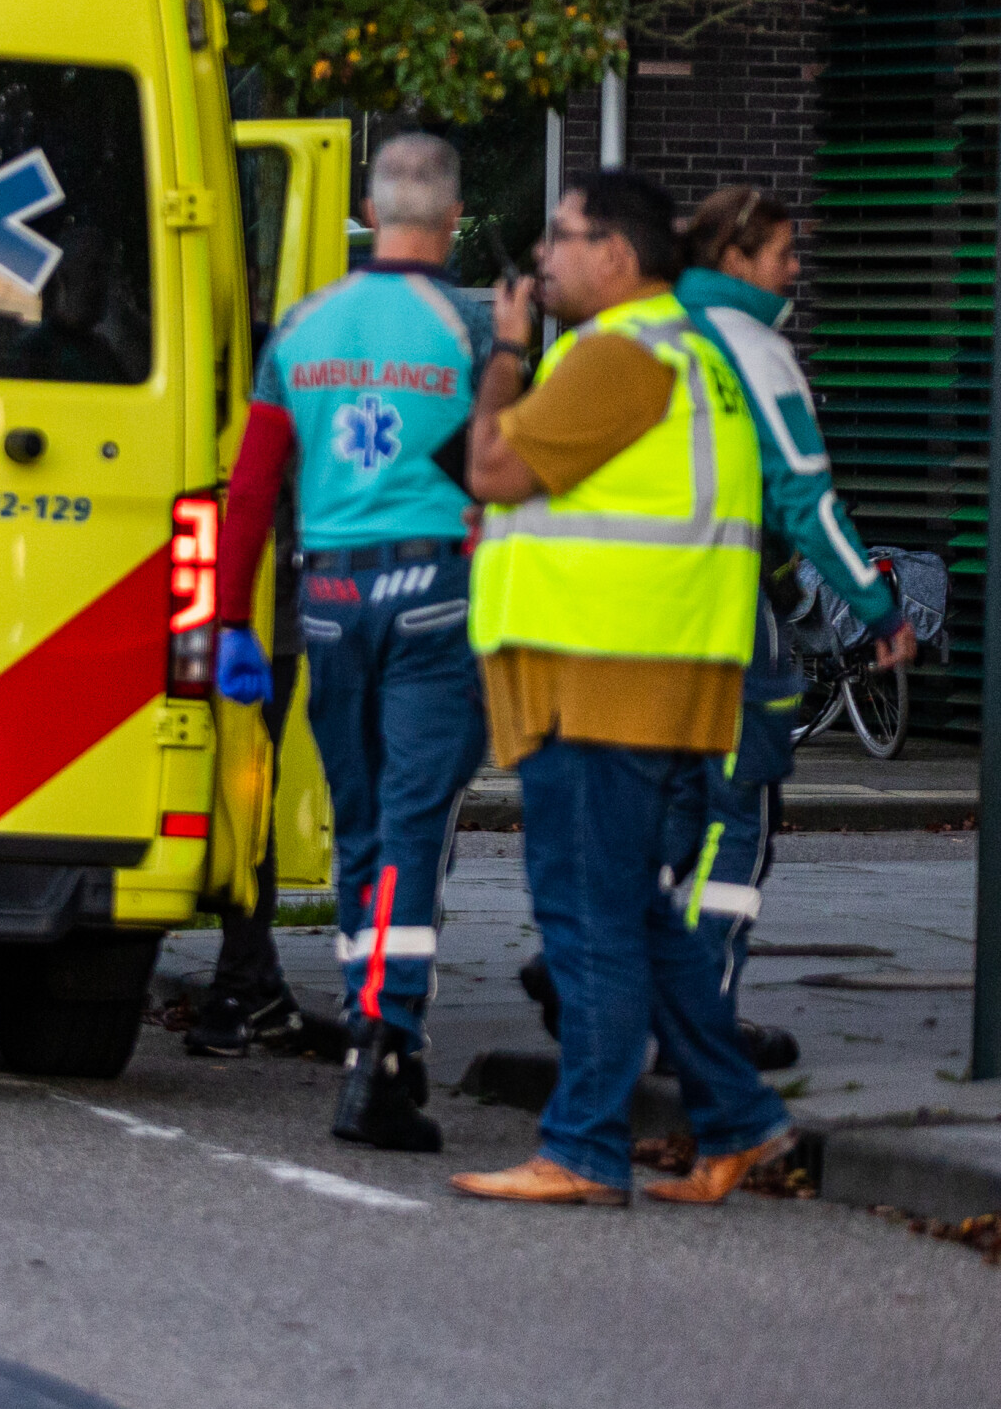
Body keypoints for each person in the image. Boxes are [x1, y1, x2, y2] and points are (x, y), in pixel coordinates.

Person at [452, 170, 794, 1206]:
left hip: (602, 676)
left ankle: (584, 1147)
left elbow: (492, 471)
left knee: (587, 918)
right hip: (652, 670)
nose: (541, 258)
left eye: (559, 237)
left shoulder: (618, 354)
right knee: (640, 917)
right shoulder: (688, 356)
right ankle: (739, 1120)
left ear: (614, 255)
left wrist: (504, 353)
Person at [210, 133, 492, 1146]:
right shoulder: (473, 324)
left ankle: (367, 1032)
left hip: (325, 597)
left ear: (368, 215)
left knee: (362, 826)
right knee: (414, 827)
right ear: (452, 218)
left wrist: (230, 622)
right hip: (434, 598)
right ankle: (383, 1043)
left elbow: (249, 490)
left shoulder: (300, 328)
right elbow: (513, 468)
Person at [668, 187, 914, 1056]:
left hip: (619, 628)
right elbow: (805, 497)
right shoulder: (752, 349)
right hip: (727, 620)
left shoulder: (633, 333)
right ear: (734, 257)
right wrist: (877, 607)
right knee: (736, 820)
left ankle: (620, 978)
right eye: (782, 253)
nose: (795, 270)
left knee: (659, 818)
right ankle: (700, 1019)